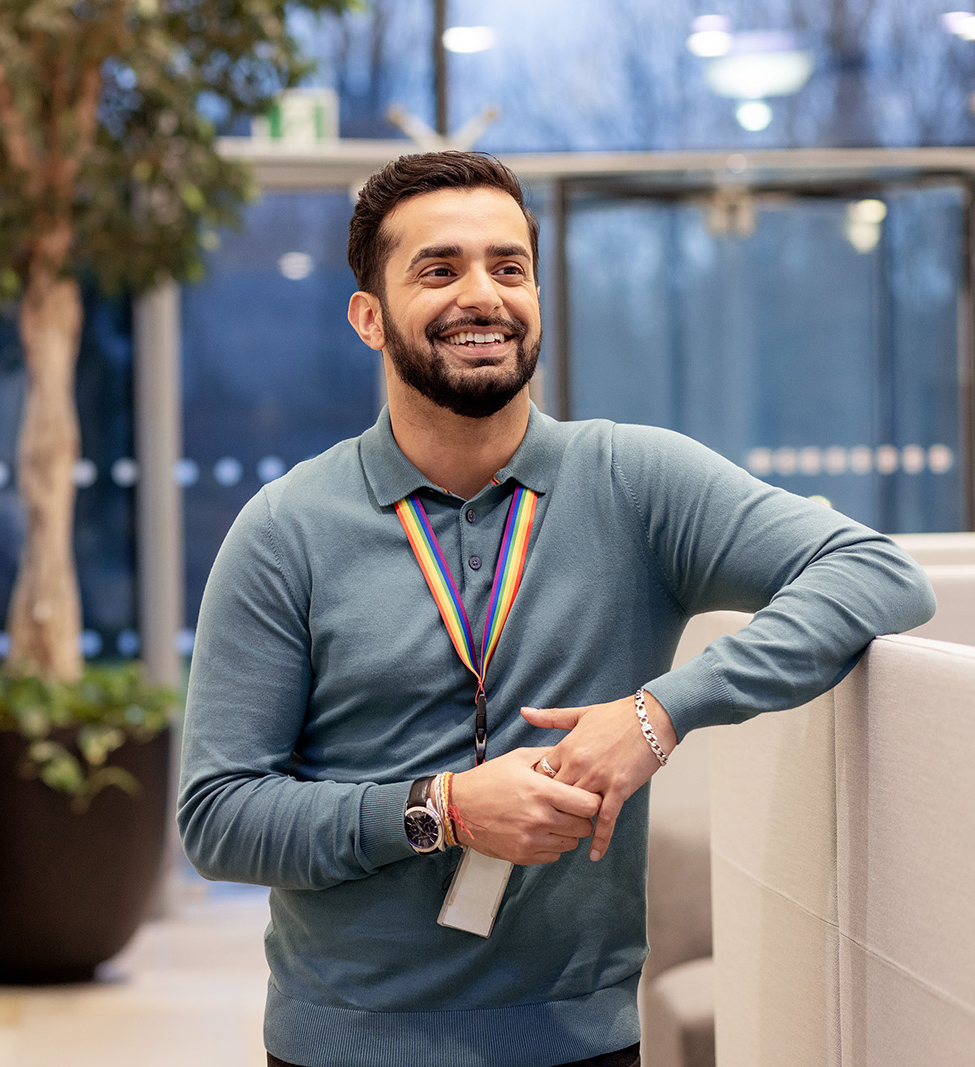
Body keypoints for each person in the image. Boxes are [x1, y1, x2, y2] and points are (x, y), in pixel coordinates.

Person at [175, 151, 936, 1067]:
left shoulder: (632, 480)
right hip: (342, 1044)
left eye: (509, 266)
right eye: (439, 268)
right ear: (369, 317)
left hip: (581, 1040)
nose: (482, 295)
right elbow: (218, 816)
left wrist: (658, 714)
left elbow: (875, 572)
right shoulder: (285, 529)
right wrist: (443, 808)